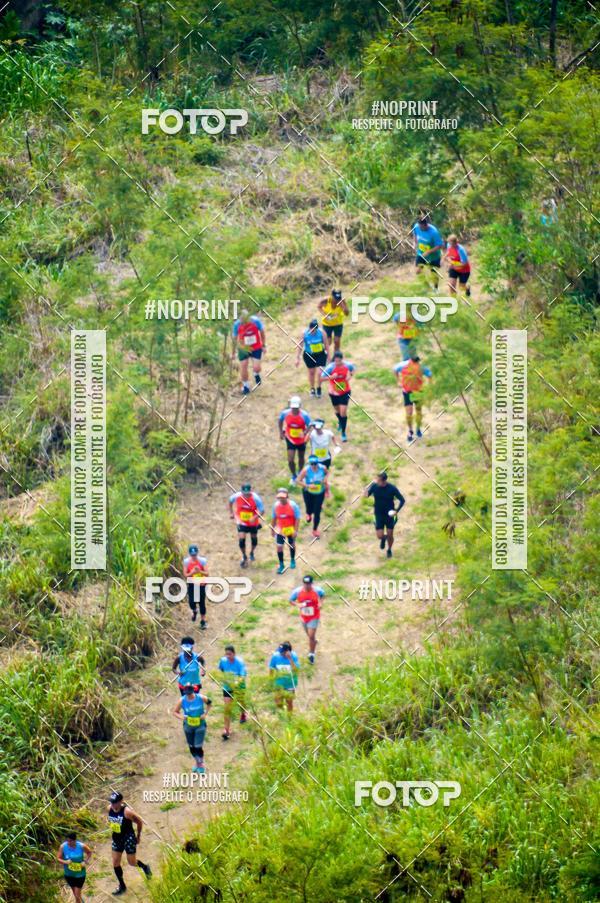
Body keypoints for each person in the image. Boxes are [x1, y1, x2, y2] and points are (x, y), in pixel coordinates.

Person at [107, 791, 151, 896]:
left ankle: (145, 867)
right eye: (111, 802)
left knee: (131, 862)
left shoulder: (127, 812)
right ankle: (122, 886)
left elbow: (139, 822)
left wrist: (138, 836)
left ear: (121, 802)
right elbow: (110, 818)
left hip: (128, 838)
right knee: (115, 863)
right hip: (117, 838)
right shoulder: (109, 808)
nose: (113, 804)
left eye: (115, 802)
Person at [365, 471, 406, 558]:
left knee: (390, 534)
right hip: (378, 515)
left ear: (384, 481)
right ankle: (383, 539)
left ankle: (389, 550)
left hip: (390, 515)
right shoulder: (374, 486)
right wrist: (366, 488)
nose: (377, 481)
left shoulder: (392, 488)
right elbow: (366, 495)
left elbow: (402, 500)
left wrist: (397, 511)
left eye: (378, 480)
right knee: (379, 536)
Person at [173, 684, 212, 774]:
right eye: (187, 694)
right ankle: (197, 762)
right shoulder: (182, 700)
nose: (189, 695)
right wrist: (182, 717)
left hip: (200, 726)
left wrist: (205, 713)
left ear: (193, 691)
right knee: (192, 747)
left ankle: (201, 764)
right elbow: (175, 712)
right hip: (188, 727)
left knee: (198, 746)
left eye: (190, 693)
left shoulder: (201, 697)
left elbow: (210, 703)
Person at [394, 355, 432, 443]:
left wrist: (398, 381)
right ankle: (416, 430)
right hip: (416, 392)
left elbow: (394, 369)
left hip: (409, 392)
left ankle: (411, 431)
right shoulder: (421, 367)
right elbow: (430, 375)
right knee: (416, 412)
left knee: (410, 413)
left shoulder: (404, 365)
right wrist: (429, 387)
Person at [320, 350, 355, 442]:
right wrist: (330, 378)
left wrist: (350, 376)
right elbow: (321, 378)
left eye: (339, 361)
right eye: (336, 361)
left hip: (345, 391)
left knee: (343, 412)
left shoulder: (347, 365)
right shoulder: (330, 368)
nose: (338, 363)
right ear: (334, 360)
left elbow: (353, 369)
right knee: (337, 411)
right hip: (333, 393)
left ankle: (343, 433)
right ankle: (340, 421)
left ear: (342, 360)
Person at [289, 575, 324, 664]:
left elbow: (323, 595)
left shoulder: (317, 590)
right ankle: (314, 642)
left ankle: (311, 654)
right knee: (309, 636)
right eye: (305, 584)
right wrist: (298, 605)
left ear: (312, 584)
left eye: (308, 584)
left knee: (311, 636)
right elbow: (291, 600)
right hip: (304, 617)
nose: (307, 586)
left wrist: (320, 603)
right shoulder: (297, 592)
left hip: (314, 616)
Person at [229, 483, 265, 568]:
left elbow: (262, 510)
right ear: (241, 492)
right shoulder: (236, 496)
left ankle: (252, 552)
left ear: (251, 491)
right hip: (241, 522)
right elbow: (230, 502)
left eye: (248, 493)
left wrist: (255, 517)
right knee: (241, 540)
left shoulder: (255, 498)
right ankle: (244, 556)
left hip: (253, 522)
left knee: (254, 540)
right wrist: (231, 513)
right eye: (244, 493)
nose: (246, 495)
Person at [278, 396, 312, 484]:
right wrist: (281, 432)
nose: (294, 410)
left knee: (301, 457)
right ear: (290, 406)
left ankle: (301, 473)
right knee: (290, 459)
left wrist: (305, 432)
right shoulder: (285, 413)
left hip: (301, 440)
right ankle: (293, 475)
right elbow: (280, 420)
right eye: (293, 408)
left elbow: (310, 425)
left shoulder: (304, 415)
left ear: (300, 406)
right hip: (290, 439)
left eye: (296, 408)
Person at [232, 309, 266, 395]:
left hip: (256, 347)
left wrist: (263, 345)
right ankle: (246, 386)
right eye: (243, 322)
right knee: (243, 366)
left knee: (256, 367)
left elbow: (262, 332)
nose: (245, 323)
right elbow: (235, 339)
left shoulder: (256, 321)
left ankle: (256, 373)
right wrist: (233, 352)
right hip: (243, 348)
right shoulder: (237, 324)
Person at [217, 645, 247, 740]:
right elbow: (221, 669)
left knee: (241, 702)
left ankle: (243, 713)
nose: (228, 656)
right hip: (227, 687)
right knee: (227, 709)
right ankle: (227, 730)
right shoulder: (223, 661)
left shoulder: (240, 663)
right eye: (226, 654)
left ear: (234, 653)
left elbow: (242, 676)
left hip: (239, 687)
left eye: (230, 654)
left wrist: (237, 682)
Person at [297, 455, 329, 538]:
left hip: (319, 493)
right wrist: (308, 486)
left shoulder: (323, 468)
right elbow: (298, 480)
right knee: (309, 507)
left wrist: (325, 479)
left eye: (315, 464)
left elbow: (327, 473)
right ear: (309, 464)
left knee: (317, 512)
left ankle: (315, 530)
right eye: (312, 464)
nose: (314, 466)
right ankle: (308, 514)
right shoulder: (306, 470)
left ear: (318, 463)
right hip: (308, 492)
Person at [296, 318, 330, 396]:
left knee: (320, 373)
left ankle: (319, 387)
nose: (312, 332)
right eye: (311, 330)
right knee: (311, 372)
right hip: (309, 355)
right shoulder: (304, 333)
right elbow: (300, 346)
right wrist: (297, 358)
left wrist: (328, 357)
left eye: (314, 330)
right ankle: (312, 388)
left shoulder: (322, 333)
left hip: (320, 354)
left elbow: (326, 345)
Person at [271, 488, 301, 573]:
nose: (281, 499)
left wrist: (295, 530)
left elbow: (297, 518)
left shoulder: (293, 505)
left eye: (283, 497)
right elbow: (274, 518)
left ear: (287, 496)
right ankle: (281, 564)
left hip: (290, 528)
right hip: (280, 529)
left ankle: (292, 559)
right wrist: (272, 529)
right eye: (279, 497)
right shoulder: (276, 506)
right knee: (279, 547)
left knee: (291, 544)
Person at [57, 833, 92, 903]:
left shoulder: (81, 846)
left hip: (80, 875)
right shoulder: (63, 847)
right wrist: (65, 862)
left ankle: (78, 900)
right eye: (67, 841)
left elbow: (89, 852)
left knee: (77, 895)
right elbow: (58, 858)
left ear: (75, 840)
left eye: (70, 841)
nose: (68, 843)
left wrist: (85, 861)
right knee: (76, 894)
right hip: (69, 875)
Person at [413, 213, 444, 290]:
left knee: (433, 273)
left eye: (421, 227)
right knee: (418, 271)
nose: (420, 228)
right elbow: (415, 233)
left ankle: (436, 289)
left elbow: (440, 245)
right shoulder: (416, 227)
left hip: (434, 256)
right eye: (419, 226)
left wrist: (429, 252)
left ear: (426, 225)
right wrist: (415, 243)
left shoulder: (434, 232)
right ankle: (427, 288)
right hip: (421, 253)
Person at [269, 641, 300, 712]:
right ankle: (282, 716)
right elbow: (271, 668)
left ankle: (289, 719)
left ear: (287, 651)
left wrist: (290, 659)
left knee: (289, 702)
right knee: (278, 702)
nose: (280, 653)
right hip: (279, 683)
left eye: (282, 652)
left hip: (290, 684)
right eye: (280, 651)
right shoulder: (275, 656)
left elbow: (296, 670)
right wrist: (270, 681)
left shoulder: (294, 656)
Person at [183, 544, 208, 628]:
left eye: (195, 555)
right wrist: (192, 572)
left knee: (201, 602)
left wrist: (200, 571)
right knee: (191, 602)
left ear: (197, 553)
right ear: (189, 554)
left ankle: (203, 621)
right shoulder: (186, 562)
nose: (194, 556)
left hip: (201, 584)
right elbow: (186, 575)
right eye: (192, 555)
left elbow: (207, 573)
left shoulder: (202, 561)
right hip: (191, 584)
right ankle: (194, 610)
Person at [318, 289, 349, 358]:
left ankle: (336, 357)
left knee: (337, 341)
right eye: (335, 299)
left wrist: (343, 306)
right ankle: (324, 356)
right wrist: (325, 315)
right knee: (328, 342)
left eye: (338, 299)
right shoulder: (326, 300)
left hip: (338, 324)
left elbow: (347, 314)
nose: (337, 301)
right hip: (327, 324)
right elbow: (319, 306)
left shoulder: (342, 301)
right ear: (332, 296)